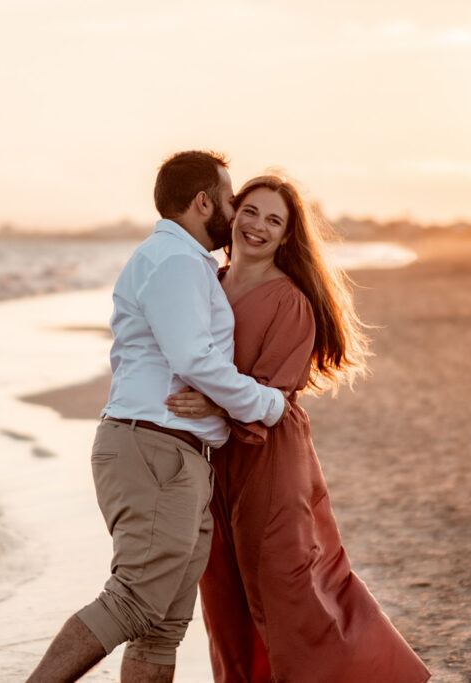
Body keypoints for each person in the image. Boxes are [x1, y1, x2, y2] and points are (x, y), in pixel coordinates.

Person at [24, 152, 291, 683]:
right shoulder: (175, 262)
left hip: (177, 456)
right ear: (202, 201)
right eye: (230, 196)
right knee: (134, 604)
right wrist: (268, 403)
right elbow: (194, 359)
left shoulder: (183, 261)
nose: (236, 209)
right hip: (155, 451)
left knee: (162, 625)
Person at [164, 175, 431, 682]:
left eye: (274, 220)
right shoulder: (208, 284)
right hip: (211, 462)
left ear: (287, 236)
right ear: (232, 213)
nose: (258, 227)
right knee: (224, 598)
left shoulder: (290, 302)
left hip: (270, 461)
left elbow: (275, 396)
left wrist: (214, 407)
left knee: (291, 593)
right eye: (250, 212)